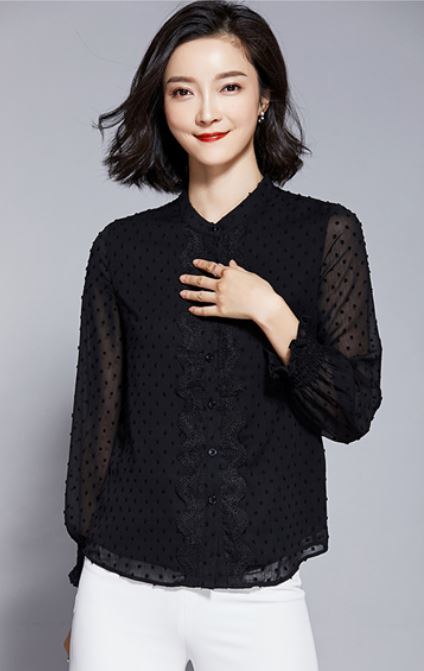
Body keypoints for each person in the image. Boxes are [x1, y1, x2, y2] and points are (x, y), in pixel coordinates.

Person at [63, 1, 383, 669]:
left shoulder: (324, 234)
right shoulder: (122, 248)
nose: (206, 111)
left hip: (259, 595)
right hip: (121, 591)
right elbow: (96, 428)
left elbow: (352, 411)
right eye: (183, 91)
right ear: (162, 105)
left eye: (229, 86)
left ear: (265, 98)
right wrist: (83, 587)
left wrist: (271, 311)